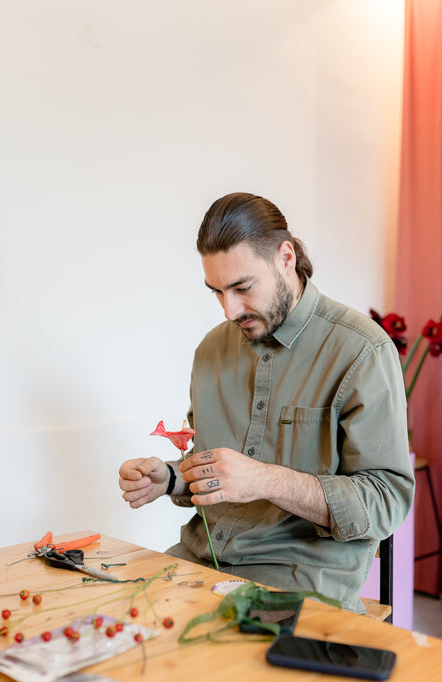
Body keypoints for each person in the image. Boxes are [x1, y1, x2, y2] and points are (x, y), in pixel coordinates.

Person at [119, 192, 415, 613]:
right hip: (200, 564)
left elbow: (387, 501)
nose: (229, 310)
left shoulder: (361, 350)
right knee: (105, 626)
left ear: (286, 258)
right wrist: (169, 479)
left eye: (242, 287)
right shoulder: (211, 351)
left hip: (298, 580)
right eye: (217, 292)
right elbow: (213, 467)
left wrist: (266, 480)